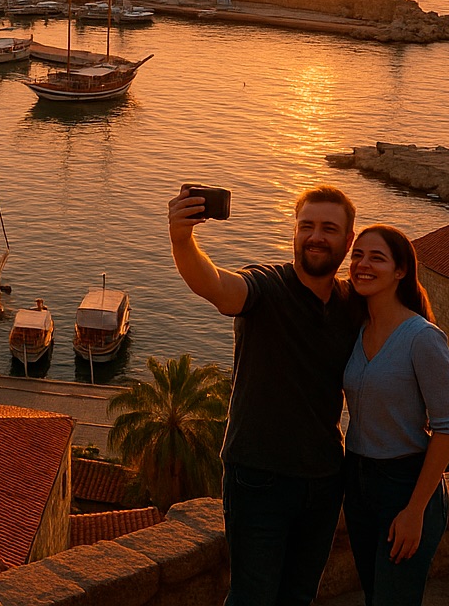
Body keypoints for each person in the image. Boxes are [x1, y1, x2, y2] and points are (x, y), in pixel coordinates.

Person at [167, 184, 362, 606]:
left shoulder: (352, 305)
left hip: (325, 480)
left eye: (329, 228)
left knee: (298, 598)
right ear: (293, 233)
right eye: (306, 225)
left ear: (348, 241)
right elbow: (216, 285)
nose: (316, 236)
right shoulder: (267, 287)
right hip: (259, 477)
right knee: (252, 597)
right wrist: (182, 239)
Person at [341, 224, 449, 605]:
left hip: (405, 483)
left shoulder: (422, 338)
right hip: (357, 478)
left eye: (377, 257)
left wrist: (415, 511)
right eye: (357, 255)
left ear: (400, 271)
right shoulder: (356, 329)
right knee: (375, 594)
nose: (363, 264)